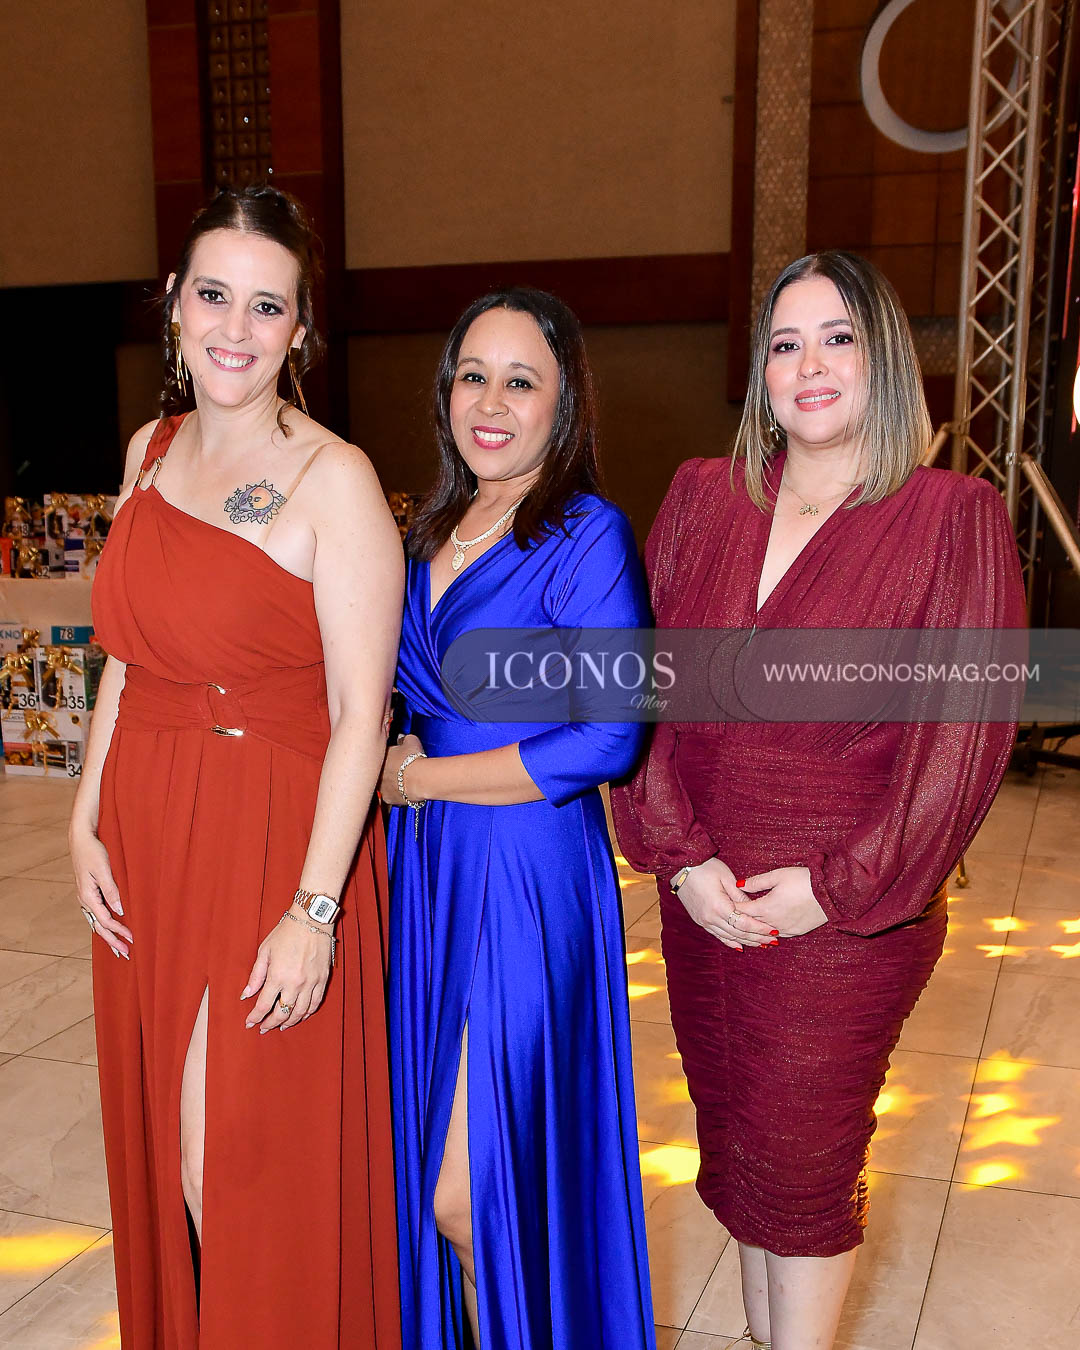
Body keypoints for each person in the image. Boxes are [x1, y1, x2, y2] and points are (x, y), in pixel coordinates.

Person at [610, 250, 1026, 1350]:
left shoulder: (952, 514)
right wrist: (681, 859)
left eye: (837, 338)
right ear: (760, 373)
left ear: (883, 358)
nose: (810, 365)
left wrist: (837, 889)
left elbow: (962, 743)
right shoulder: (702, 495)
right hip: (707, 900)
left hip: (845, 918)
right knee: (739, 1153)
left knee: (802, 1168)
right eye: (785, 344)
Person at [71, 185, 404, 1349]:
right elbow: (126, 657)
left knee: (234, 1171)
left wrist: (315, 908)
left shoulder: (334, 479)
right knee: (171, 1160)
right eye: (214, 295)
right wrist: (84, 818)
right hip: (146, 832)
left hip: (271, 840)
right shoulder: (147, 451)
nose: (235, 328)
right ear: (174, 302)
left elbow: (362, 715)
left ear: (301, 327)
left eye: (268, 306)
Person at [380, 287, 656, 1349]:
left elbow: (607, 739)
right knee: (426, 1178)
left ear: (562, 403)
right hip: (428, 874)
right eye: (473, 376)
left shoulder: (586, 535)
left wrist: (421, 781)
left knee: (473, 1194)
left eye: (521, 381)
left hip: (530, 875)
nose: (491, 402)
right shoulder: (427, 528)